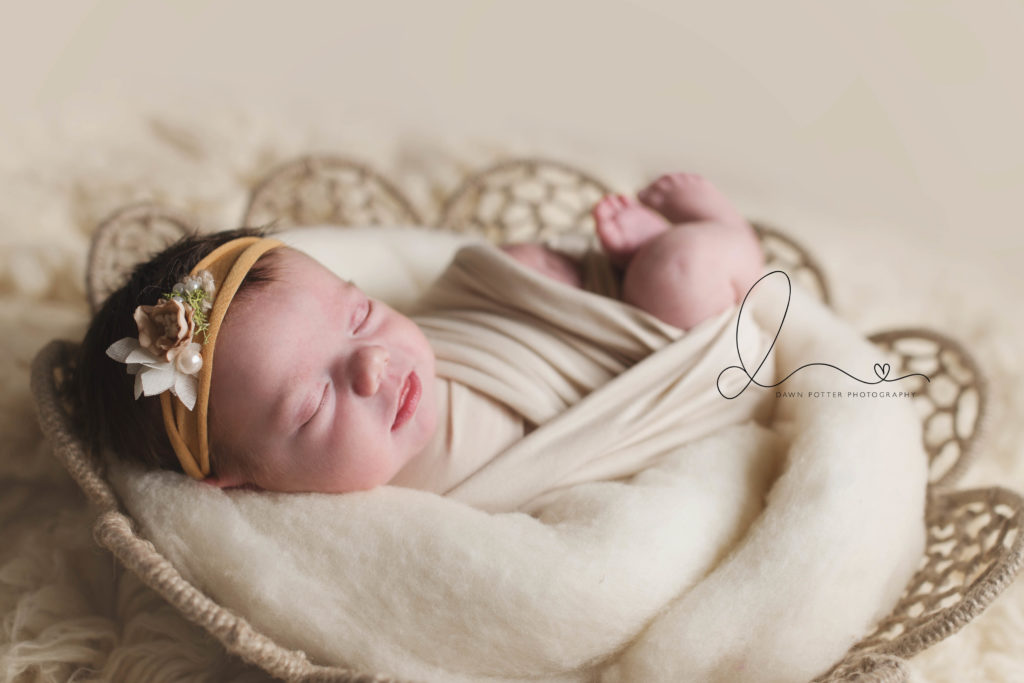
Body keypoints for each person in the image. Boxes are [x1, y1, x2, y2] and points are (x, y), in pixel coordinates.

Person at [73, 172, 764, 498]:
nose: (373, 364)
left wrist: (526, 282)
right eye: (312, 406)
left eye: (360, 313)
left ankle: (662, 257)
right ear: (238, 481)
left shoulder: (397, 365)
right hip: (656, 373)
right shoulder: (364, 531)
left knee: (527, 261)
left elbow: (460, 323)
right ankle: (720, 243)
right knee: (679, 273)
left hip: (563, 328)